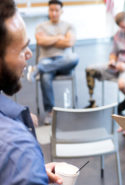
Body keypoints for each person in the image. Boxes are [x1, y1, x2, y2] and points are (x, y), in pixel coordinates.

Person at [0, 0, 62, 184]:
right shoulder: (18, 148)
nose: (28, 54)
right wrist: (25, 167)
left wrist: (23, 172)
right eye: (21, 49)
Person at [27, 0, 79, 124]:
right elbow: (41, 41)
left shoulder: (68, 26)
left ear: (61, 11)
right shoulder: (41, 26)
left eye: (56, 10)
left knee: (74, 57)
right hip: (46, 59)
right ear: (48, 10)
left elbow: (69, 42)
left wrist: (49, 39)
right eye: (51, 10)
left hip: (63, 61)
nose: (54, 13)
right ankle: (50, 112)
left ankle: (38, 68)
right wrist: (59, 38)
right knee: (45, 77)